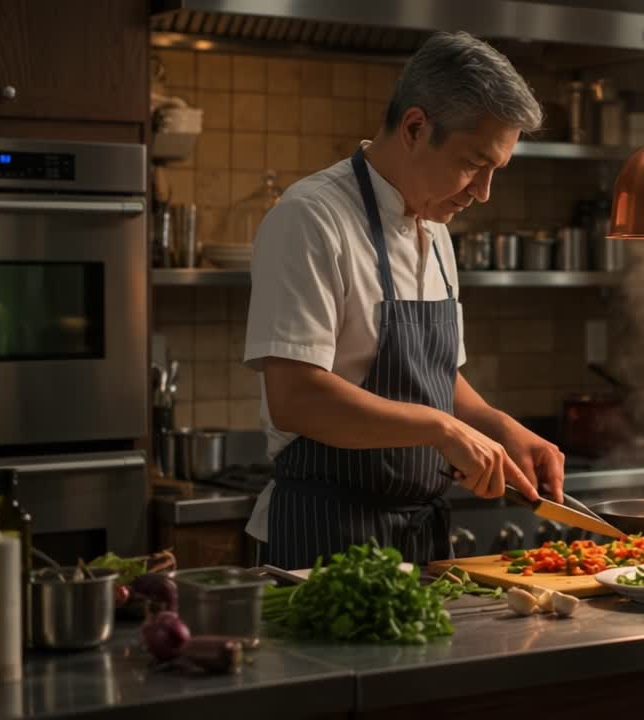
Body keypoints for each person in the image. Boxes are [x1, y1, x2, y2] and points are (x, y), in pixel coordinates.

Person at [242, 31, 564, 567]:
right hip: (324, 538)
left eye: (495, 172)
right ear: (416, 127)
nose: (482, 192)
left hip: (418, 539)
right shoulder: (311, 218)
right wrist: (442, 429)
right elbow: (295, 396)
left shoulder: (436, 229)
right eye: (472, 164)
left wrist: (496, 424)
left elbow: (434, 376)